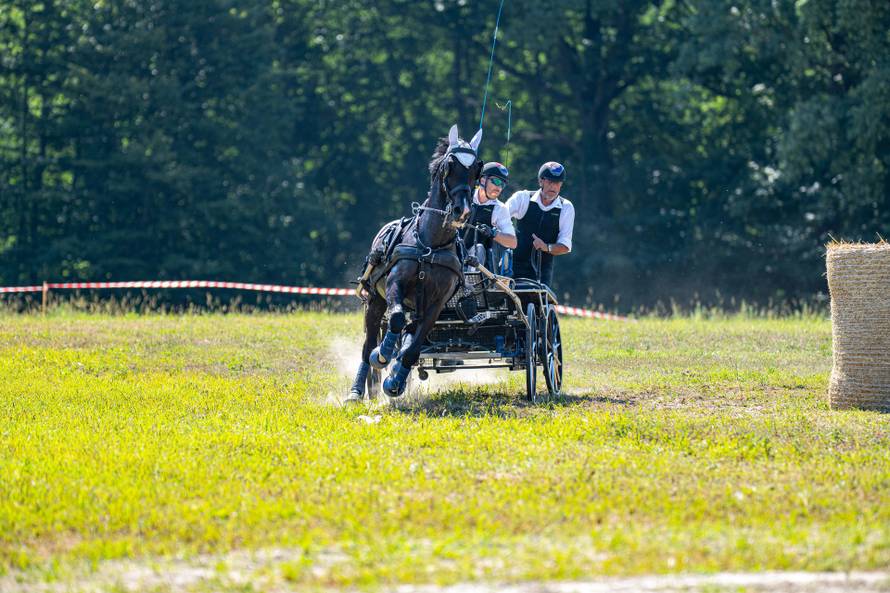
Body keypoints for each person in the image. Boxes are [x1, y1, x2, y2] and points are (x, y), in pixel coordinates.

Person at [505, 161, 574, 287]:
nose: (553, 187)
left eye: (557, 183)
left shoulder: (566, 207)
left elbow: (565, 246)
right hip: (513, 266)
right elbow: (500, 217)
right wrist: (508, 232)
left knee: (539, 304)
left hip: (542, 272)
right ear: (541, 181)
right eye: (550, 182)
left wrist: (546, 247)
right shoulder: (522, 198)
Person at [462, 161, 517, 270]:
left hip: (474, 261)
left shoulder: (500, 209)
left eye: (502, 184)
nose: (499, 188)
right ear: (483, 180)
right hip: (451, 252)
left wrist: (493, 233)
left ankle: (469, 284)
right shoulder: (463, 196)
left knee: (479, 248)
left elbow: (513, 242)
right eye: (496, 181)